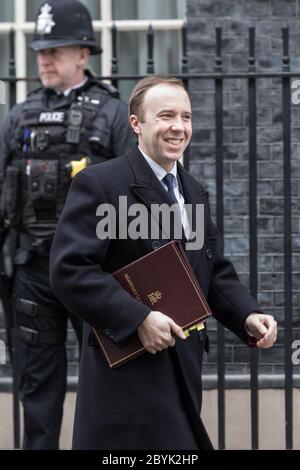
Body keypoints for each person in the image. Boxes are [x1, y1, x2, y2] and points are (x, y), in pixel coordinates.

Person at [49, 75, 278, 450]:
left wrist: (247, 315)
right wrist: (138, 317)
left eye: (186, 117)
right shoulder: (101, 184)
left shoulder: (192, 190)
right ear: (136, 124)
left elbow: (211, 270)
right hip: (126, 374)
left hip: (182, 367)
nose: (179, 127)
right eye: (166, 116)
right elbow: (70, 271)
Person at [0, 0, 133, 450]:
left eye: (55, 49)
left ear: (83, 54)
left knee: (107, 381)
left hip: (92, 272)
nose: (44, 58)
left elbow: (133, 195)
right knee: (37, 387)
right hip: (33, 270)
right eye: (41, 49)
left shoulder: (113, 113)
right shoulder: (19, 114)